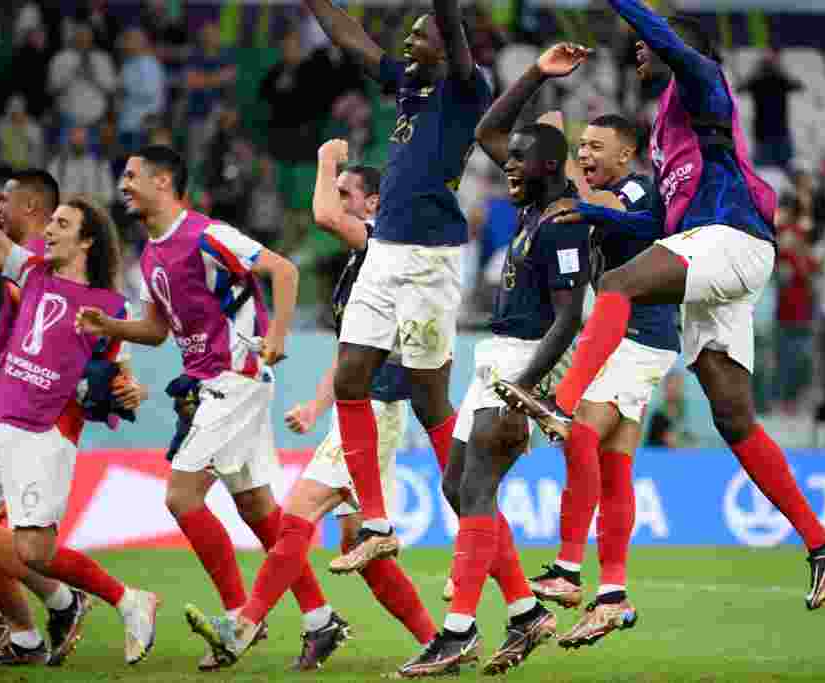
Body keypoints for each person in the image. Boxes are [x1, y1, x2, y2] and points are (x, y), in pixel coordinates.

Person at [496, 2, 825, 611]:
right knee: (732, 417)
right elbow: (659, 221)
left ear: (673, 47)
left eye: (645, 42)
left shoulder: (702, 83)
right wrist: (592, 212)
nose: (636, 49)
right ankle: (821, 541)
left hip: (733, 239)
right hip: (711, 253)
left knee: (618, 286)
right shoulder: (664, 129)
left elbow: (669, 41)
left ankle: (557, 402)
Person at [184, 139, 437, 671]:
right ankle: (439, 638)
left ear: (373, 206)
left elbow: (322, 215)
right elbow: (353, 356)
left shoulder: (379, 243)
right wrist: (319, 406)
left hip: (374, 412)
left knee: (296, 513)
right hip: (367, 408)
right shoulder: (361, 267)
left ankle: (244, 624)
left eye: (349, 193)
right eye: (338, 190)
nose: (338, 200)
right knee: (359, 545)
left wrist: (325, 160)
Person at [395, 43, 595, 678]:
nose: (507, 165)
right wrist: (535, 74)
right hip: (500, 357)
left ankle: (456, 634)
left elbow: (571, 316)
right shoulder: (537, 204)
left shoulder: (563, 222)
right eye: (508, 160)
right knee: (456, 486)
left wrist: (528, 386)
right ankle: (524, 613)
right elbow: (487, 129)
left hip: (526, 362)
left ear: (550, 165)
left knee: (477, 485)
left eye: (519, 160)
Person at [77, 145, 299, 672]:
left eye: (131, 176)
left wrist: (280, 335)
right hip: (209, 381)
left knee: (181, 495)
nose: (123, 185)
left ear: (163, 181)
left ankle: (239, 615)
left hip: (236, 374)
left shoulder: (206, 233)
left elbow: (284, 270)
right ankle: (318, 619)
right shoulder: (151, 255)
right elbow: (157, 331)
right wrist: (111, 327)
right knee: (259, 509)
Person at [0, 120, 157, 674]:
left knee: (34, 552)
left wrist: (126, 389)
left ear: (86, 240)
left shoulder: (109, 307)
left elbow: (119, 380)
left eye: (62, 224)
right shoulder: (33, 271)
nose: (50, 230)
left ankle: (127, 600)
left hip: (44, 435)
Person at [302, 0, 493, 572]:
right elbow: (353, 41)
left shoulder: (467, 87)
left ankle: (477, 516)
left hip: (430, 259)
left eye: (420, 35)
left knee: (428, 399)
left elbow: (454, 40)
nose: (408, 44)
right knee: (351, 379)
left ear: (448, 39)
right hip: (385, 249)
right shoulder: (412, 87)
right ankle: (379, 524)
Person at [517, 108, 680, 648]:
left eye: (595, 147)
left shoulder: (637, 191)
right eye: (581, 146)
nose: (585, 155)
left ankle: (567, 568)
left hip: (640, 337)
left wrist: (574, 190)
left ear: (626, 154)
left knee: (580, 430)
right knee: (613, 468)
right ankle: (612, 596)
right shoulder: (604, 192)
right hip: (627, 341)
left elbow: (628, 219)